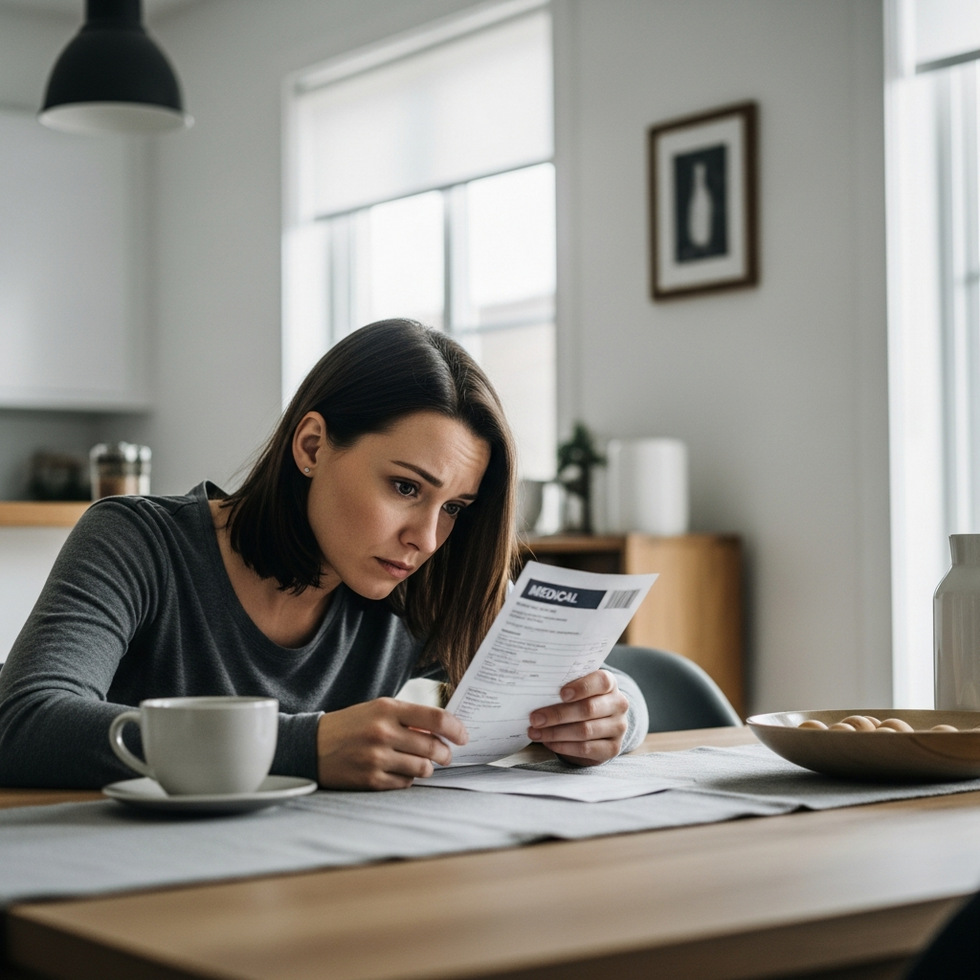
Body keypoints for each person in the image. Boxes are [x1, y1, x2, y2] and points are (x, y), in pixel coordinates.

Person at [0, 320, 648, 790]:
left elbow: (596, 683)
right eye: (405, 487)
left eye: (453, 508)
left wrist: (612, 712)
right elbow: (25, 722)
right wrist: (302, 746)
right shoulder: (137, 541)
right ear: (311, 446)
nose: (425, 537)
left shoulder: (423, 582)